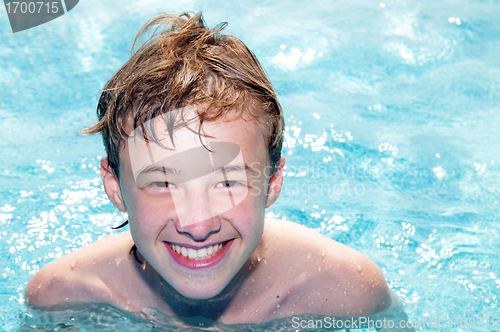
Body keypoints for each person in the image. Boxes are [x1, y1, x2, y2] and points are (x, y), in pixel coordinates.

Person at [25, 12, 406, 327]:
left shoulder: (344, 292)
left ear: (272, 182)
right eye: (162, 182)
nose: (198, 224)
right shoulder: (64, 297)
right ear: (114, 187)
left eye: (227, 182)